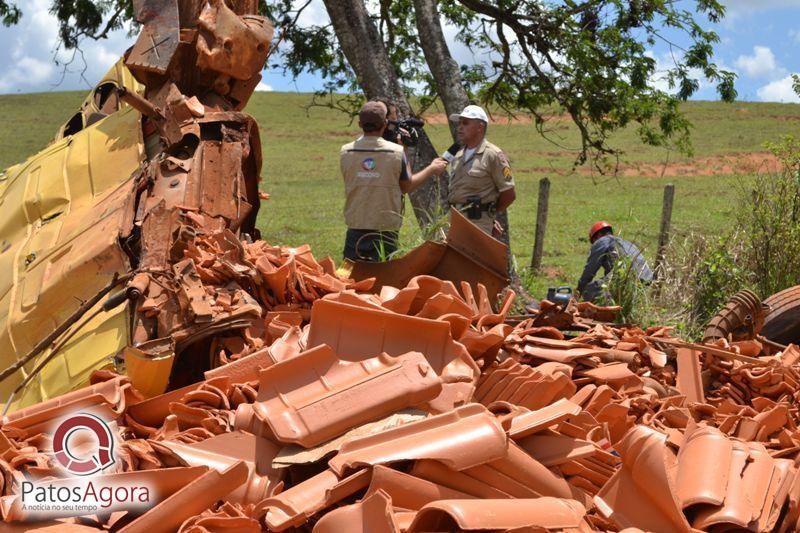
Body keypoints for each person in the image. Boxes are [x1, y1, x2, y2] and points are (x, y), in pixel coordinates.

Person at [340, 100, 448, 262]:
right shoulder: (396, 152)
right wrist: (431, 169)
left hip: (355, 226)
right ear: (385, 123)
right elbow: (406, 186)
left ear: (359, 123)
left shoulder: (346, 151)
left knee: (351, 280)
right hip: (385, 230)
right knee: (384, 278)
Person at [447, 105, 516, 237]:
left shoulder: (493, 155)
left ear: (480, 127)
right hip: (455, 221)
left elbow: (509, 194)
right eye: (459, 123)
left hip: (478, 224)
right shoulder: (458, 155)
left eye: (465, 123)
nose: (460, 127)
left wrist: (489, 214)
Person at [577, 221, 654, 302]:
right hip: (645, 281)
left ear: (598, 236)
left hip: (625, 279)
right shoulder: (628, 243)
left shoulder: (602, 241)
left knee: (588, 290)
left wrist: (578, 291)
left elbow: (590, 270)